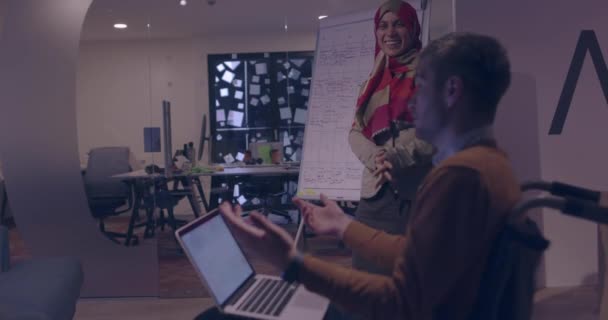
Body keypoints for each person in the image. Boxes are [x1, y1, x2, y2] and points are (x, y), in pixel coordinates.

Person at [220, 32, 519, 320]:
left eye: (422, 86)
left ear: (452, 91)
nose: (412, 103)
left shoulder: (458, 177)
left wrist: (292, 264)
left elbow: (399, 302)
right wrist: (343, 226)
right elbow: (418, 257)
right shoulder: (492, 165)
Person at [347, 0, 434, 275]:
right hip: (373, 194)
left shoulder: (431, 76)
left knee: (408, 279)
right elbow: (355, 132)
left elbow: (437, 134)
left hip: (413, 194)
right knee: (364, 277)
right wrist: (377, 158)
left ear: (412, 28)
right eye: (383, 25)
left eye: (398, 23)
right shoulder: (372, 81)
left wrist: (396, 157)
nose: (390, 32)